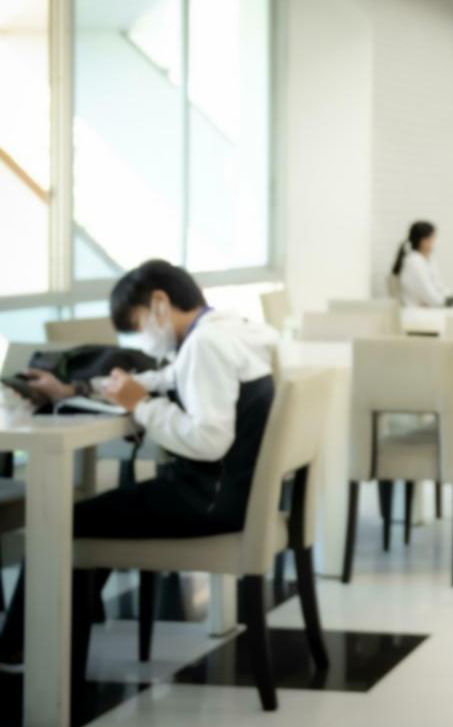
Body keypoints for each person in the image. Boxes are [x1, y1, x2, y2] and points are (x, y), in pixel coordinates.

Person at [0, 259, 278, 662]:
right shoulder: (227, 331)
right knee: (89, 516)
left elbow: (209, 440)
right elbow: (164, 379)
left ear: (160, 302)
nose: (140, 337)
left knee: (68, 521)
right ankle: (46, 644)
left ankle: (26, 651)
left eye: (138, 322)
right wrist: (76, 388)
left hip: (208, 498)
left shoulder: (205, 345)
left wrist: (142, 407)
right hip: (226, 494)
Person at [392, 220, 453, 308]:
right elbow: (429, 295)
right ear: (423, 240)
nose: (434, 243)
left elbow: (439, 287)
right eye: (433, 239)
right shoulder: (414, 263)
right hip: (418, 314)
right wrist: (448, 301)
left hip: (427, 311)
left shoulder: (426, 260)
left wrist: (452, 297)